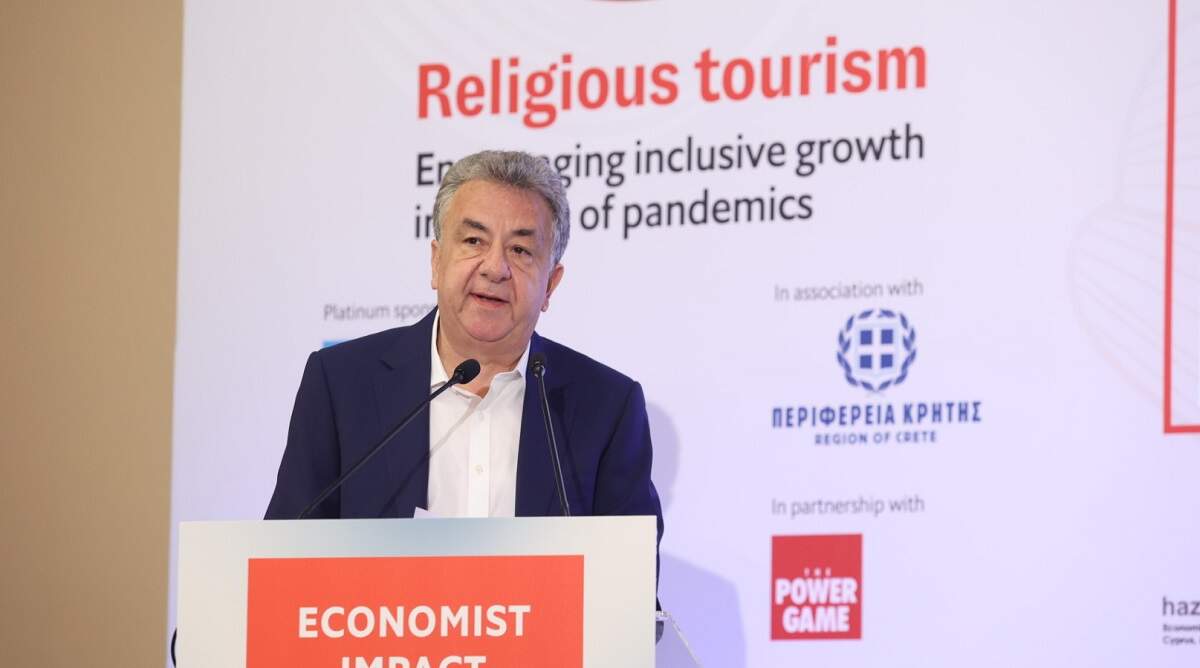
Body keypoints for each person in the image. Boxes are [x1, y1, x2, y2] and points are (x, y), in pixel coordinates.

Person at [264, 150, 663, 552]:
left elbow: (630, 574)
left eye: (520, 250)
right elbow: (284, 556)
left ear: (550, 285)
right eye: (474, 241)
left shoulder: (606, 407)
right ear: (436, 262)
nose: (495, 268)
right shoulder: (342, 385)